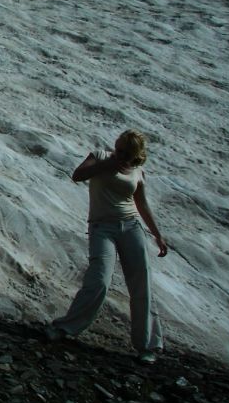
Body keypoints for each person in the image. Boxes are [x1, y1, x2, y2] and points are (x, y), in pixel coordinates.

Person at [46, 129, 168, 364]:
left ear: (135, 155)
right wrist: (106, 166)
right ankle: (65, 328)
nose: (120, 154)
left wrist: (157, 234)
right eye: (119, 148)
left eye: (125, 152)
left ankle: (148, 345)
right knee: (99, 278)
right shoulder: (101, 156)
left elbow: (141, 204)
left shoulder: (137, 172)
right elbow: (78, 175)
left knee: (141, 283)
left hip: (131, 228)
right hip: (102, 227)